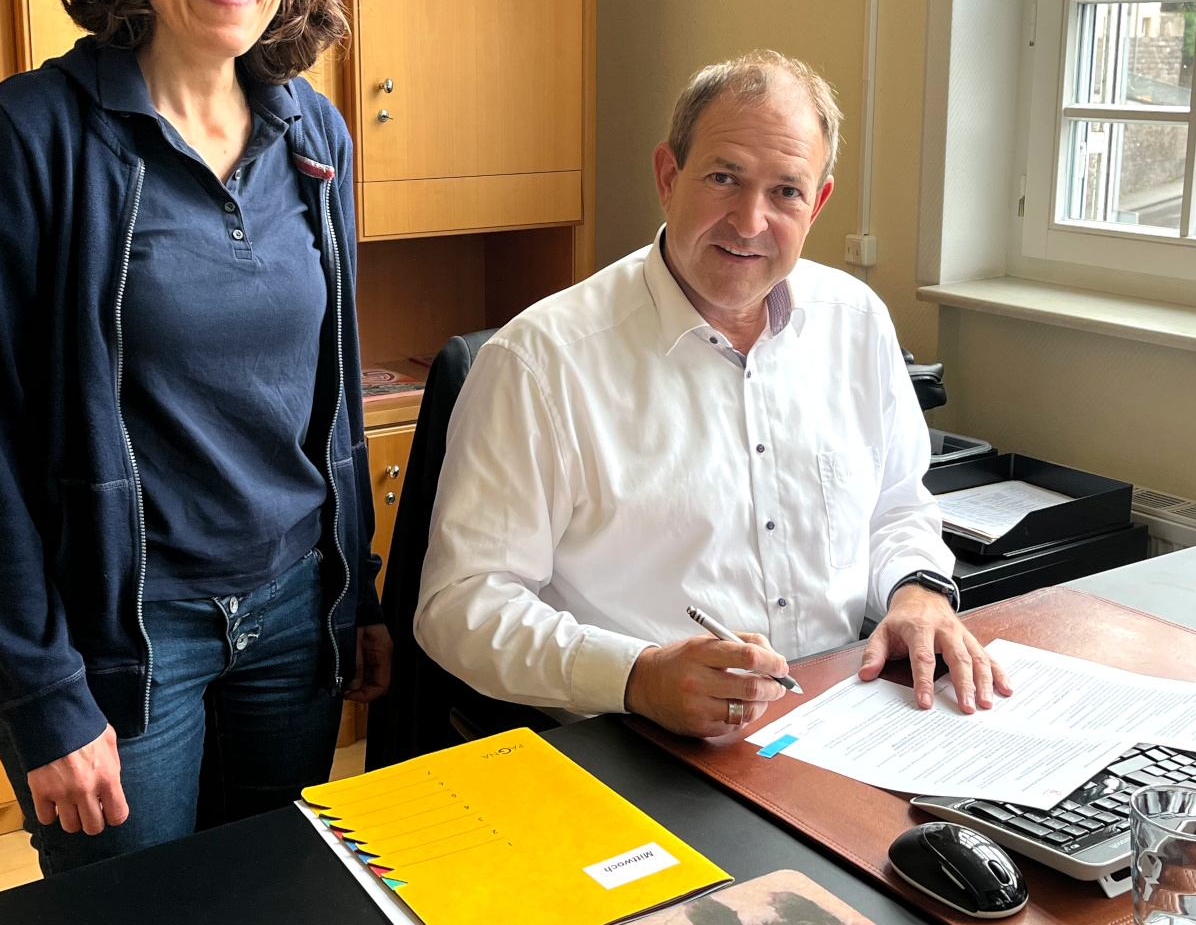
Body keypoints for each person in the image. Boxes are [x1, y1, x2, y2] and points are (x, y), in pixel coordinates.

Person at [0, 0, 389, 876]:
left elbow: (329, 395)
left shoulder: (315, 133)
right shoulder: (36, 134)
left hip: (292, 619)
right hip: (125, 637)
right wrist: (39, 690)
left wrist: (354, 593)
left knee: (263, 895)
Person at [415, 51, 1010, 739]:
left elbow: (896, 504)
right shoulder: (540, 361)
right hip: (630, 741)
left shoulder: (858, 321)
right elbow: (461, 606)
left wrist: (916, 591)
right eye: (724, 178)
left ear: (817, 203)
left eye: (786, 191)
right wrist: (636, 674)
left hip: (839, 718)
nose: (750, 221)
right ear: (669, 177)